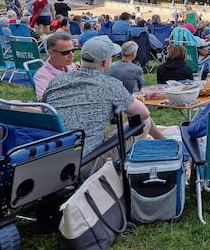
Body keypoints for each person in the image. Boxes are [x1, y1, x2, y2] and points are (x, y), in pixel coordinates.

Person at [42, 35, 165, 170]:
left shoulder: (56, 82)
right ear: (105, 63)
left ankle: (160, 141)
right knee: (143, 122)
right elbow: (144, 114)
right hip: (86, 163)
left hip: (53, 159)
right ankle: (130, 167)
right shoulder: (109, 85)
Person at [34, 29, 77, 100]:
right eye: (65, 52)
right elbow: (44, 101)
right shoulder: (42, 76)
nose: (71, 55)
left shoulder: (70, 65)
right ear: (51, 53)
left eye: (73, 50)